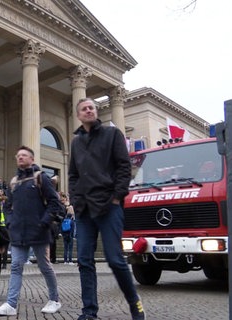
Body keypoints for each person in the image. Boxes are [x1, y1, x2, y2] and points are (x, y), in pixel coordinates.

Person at [68, 98, 145, 320]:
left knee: (115, 259)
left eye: (91, 107)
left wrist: (116, 197)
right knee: (84, 261)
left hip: (109, 206)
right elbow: (73, 174)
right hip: (84, 209)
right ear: (79, 115)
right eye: (84, 108)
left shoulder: (112, 134)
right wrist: (75, 199)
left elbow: (124, 167)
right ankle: (89, 311)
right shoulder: (76, 143)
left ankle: (134, 302)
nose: (89, 110)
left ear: (96, 111)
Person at [0, 146, 62, 316]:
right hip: (18, 232)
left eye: (24, 155)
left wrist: (43, 223)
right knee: (15, 267)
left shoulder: (40, 178)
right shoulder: (14, 182)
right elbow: (7, 206)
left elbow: (54, 203)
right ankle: (11, 304)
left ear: (32, 159)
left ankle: (54, 299)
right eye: (18, 155)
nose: (20, 157)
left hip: (38, 232)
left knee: (44, 266)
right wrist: (9, 222)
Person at [60, 193, 76, 265]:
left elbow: (62, 228)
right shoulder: (72, 221)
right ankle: (70, 260)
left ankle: (65, 261)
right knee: (70, 248)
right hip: (70, 236)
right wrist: (73, 236)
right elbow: (73, 230)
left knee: (65, 248)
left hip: (65, 235)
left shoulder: (64, 221)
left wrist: (62, 234)